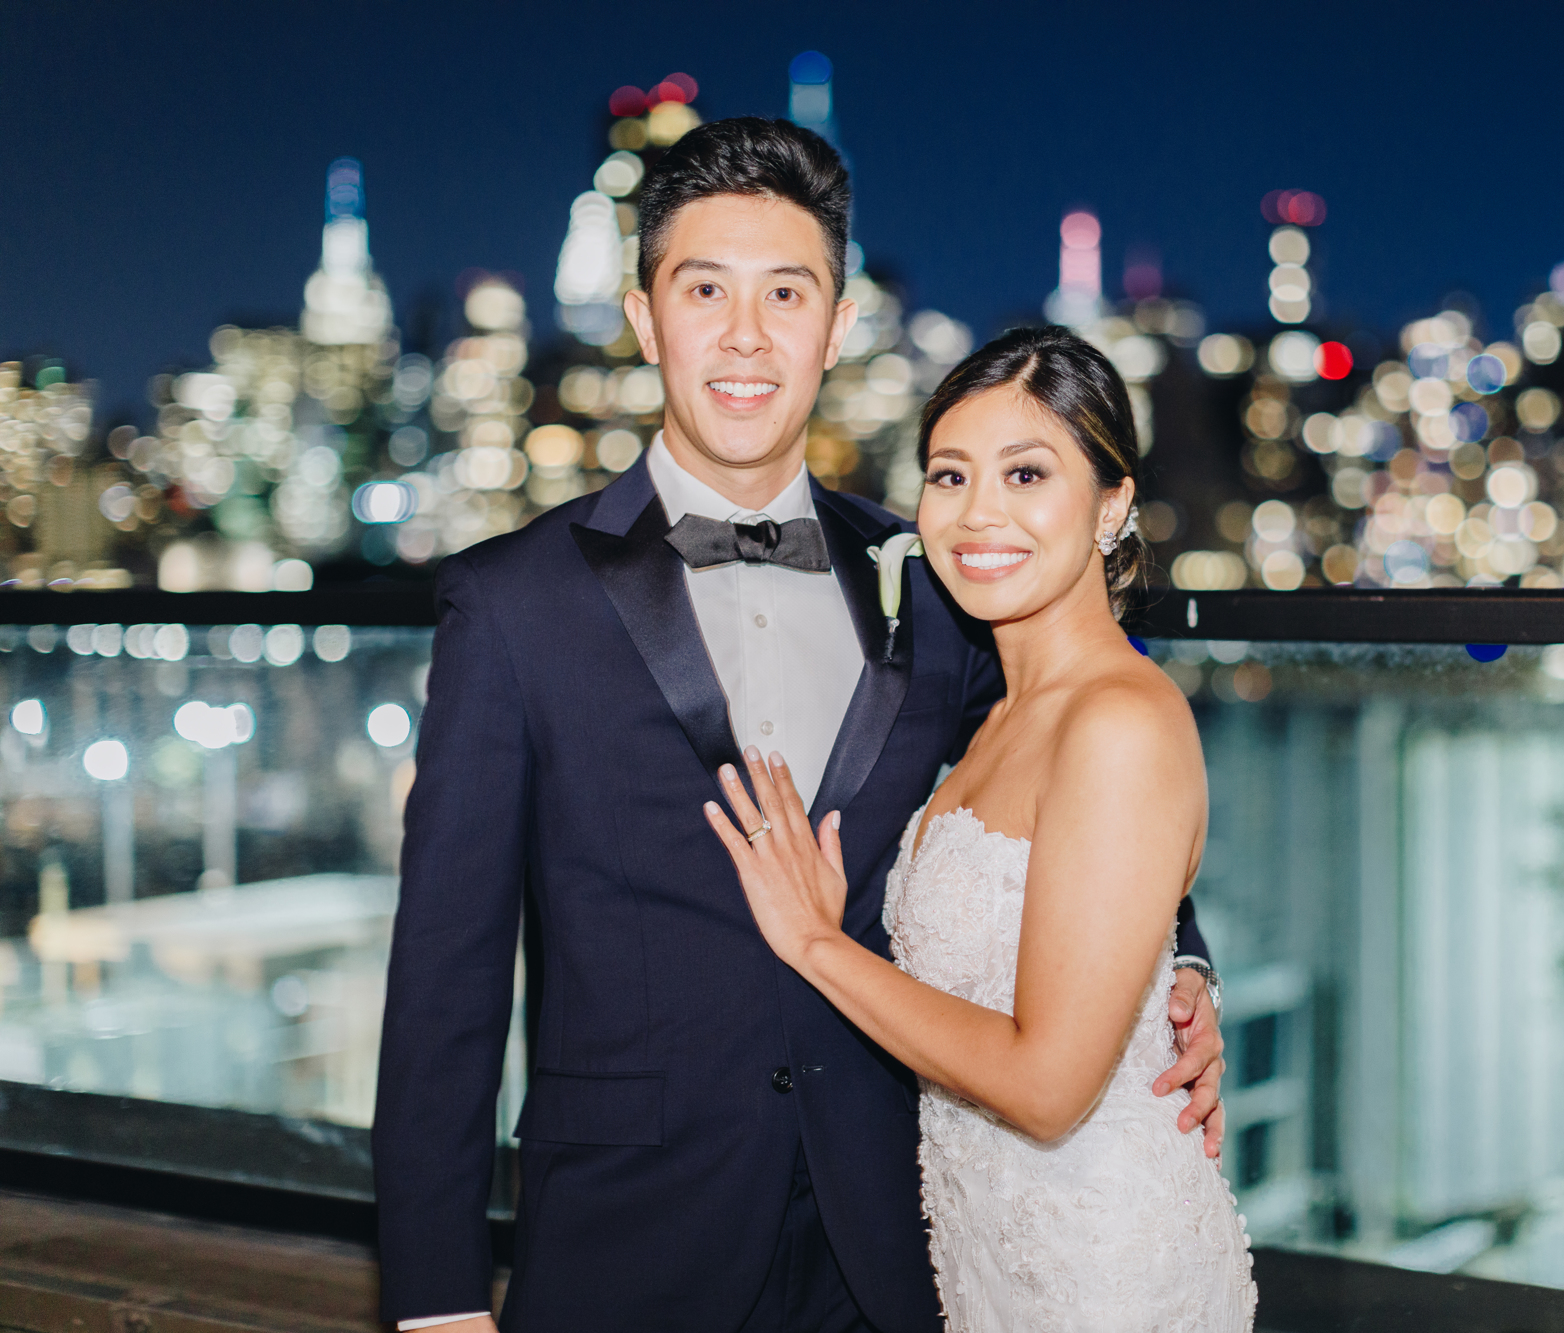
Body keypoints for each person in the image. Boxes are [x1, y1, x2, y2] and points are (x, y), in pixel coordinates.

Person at [372, 118, 1229, 1333]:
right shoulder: (514, 603)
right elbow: (444, 984)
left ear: (835, 325)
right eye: (702, 289)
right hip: (627, 1239)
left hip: (883, 1242)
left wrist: (1176, 967)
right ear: (642, 316)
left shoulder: (936, 573)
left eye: (786, 293)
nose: (743, 334)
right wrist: (433, 1300)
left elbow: (1063, 763)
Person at [704, 324, 1258, 1332]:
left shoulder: (1120, 719)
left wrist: (817, 943)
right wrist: (1182, 969)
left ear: (1113, 500)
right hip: (982, 1260)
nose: (978, 513)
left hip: (1100, 1276)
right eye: (949, 475)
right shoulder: (994, 712)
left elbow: (1046, 1085)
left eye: (1026, 472)